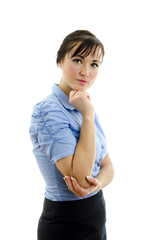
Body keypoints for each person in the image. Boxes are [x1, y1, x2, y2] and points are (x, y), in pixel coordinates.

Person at [29, 30, 114, 240]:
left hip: (95, 214)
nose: (86, 71)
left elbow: (108, 167)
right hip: (66, 223)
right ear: (60, 60)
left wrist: (99, 184)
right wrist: (87, 115)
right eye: (78, 60)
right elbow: (81, 182)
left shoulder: (83, 106)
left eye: (94, 64)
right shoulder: (48, 111)